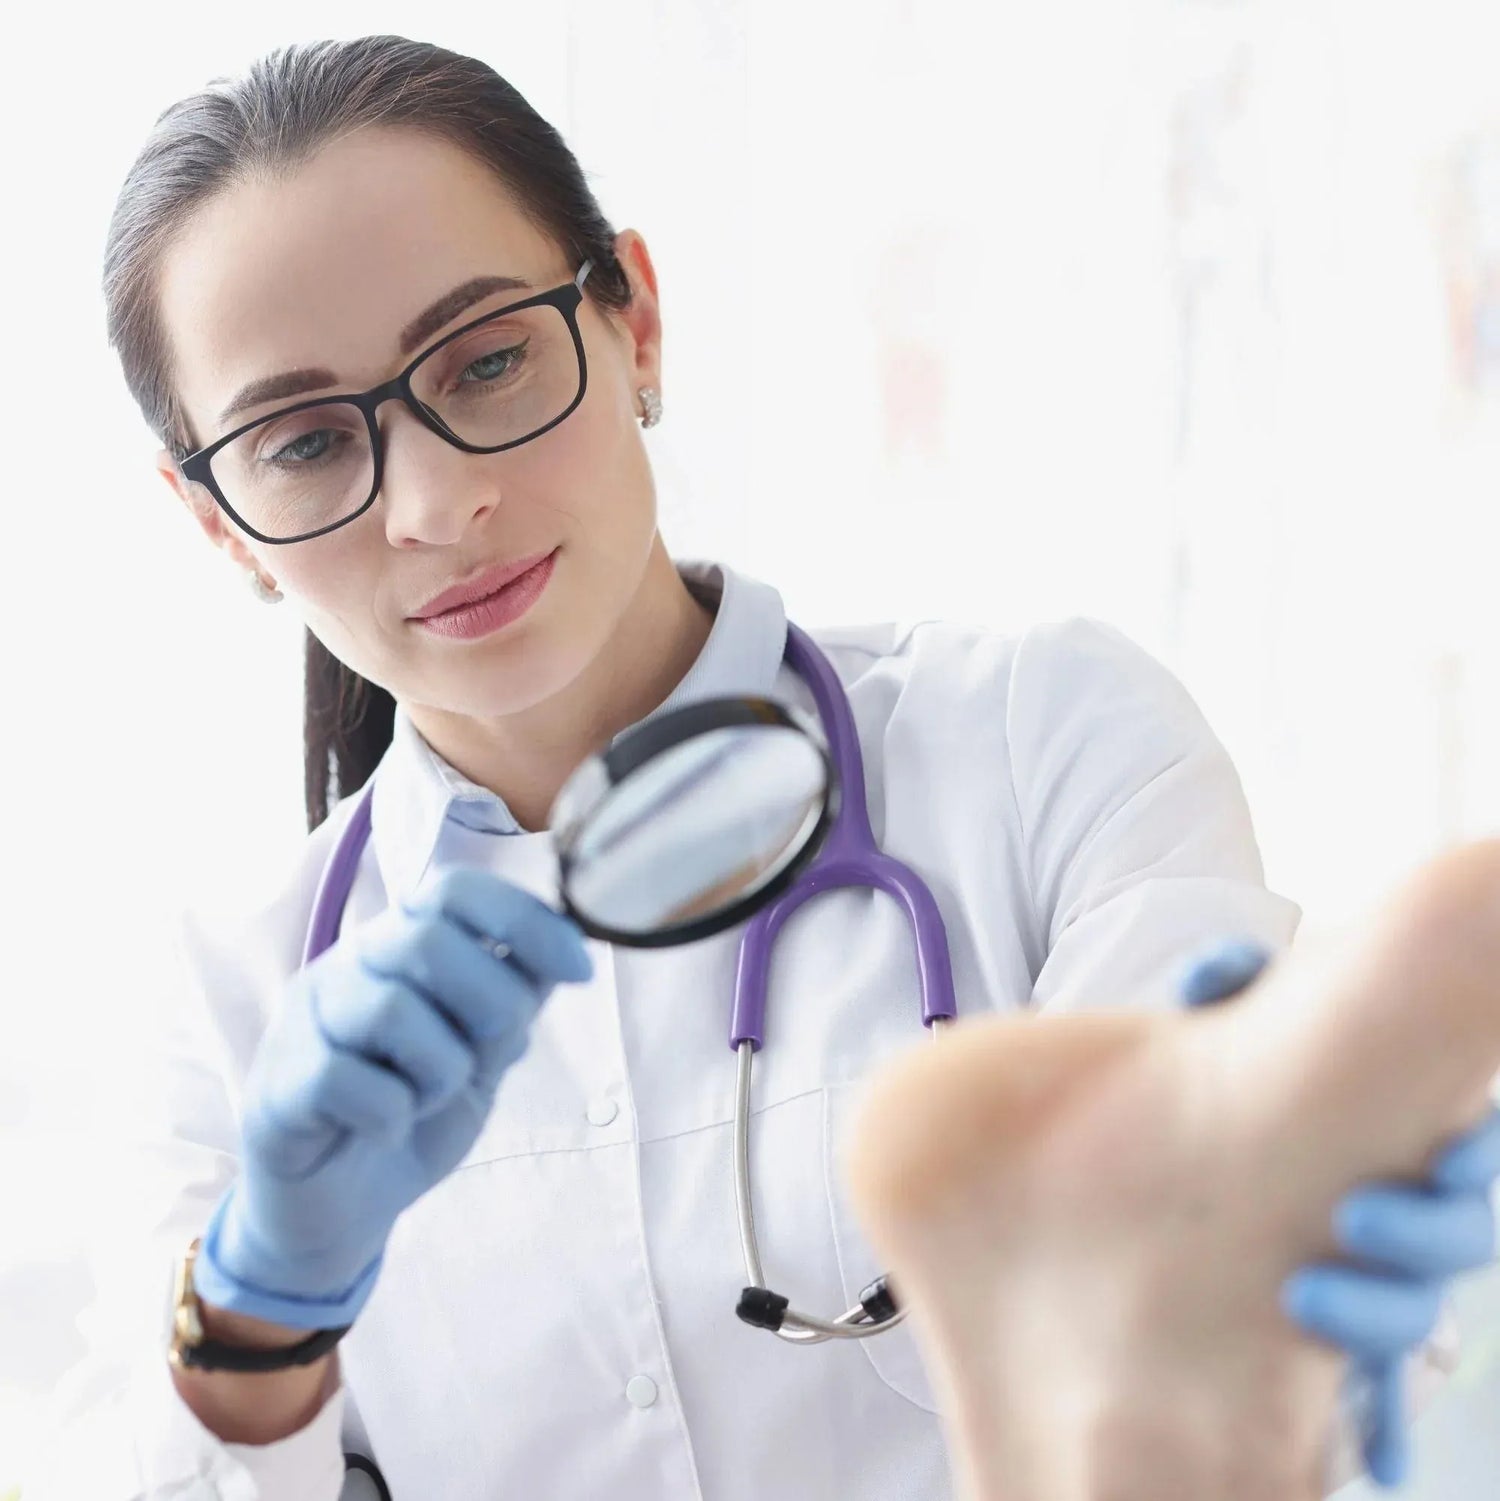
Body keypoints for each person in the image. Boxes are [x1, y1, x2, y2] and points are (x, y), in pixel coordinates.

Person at [26, 33, 1492, 1501]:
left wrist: (1268, 1258)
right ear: (217, 522)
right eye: (299, 445)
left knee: (1194, 1250)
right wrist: (261, 1302)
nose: (433, 500)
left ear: (635, 324)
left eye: (486, 359)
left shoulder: (1040, 739)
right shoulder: (227, 1000)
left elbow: (1294, 1380)